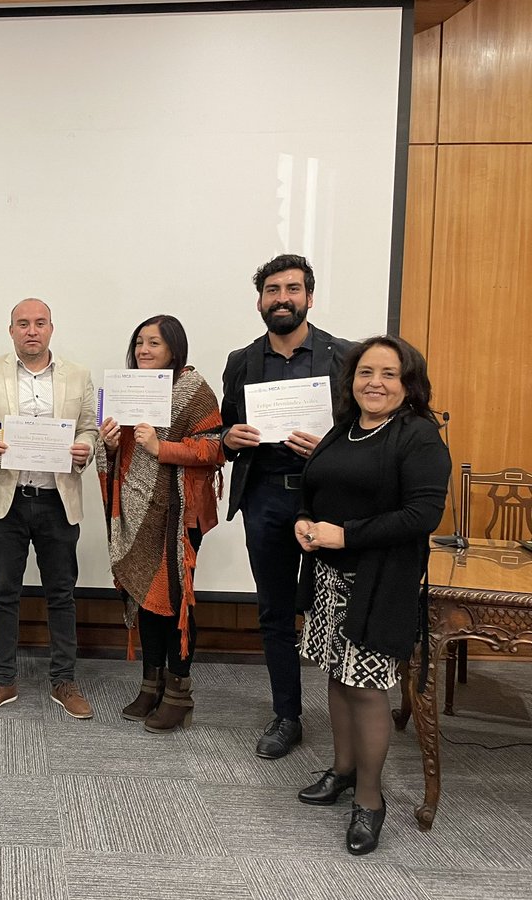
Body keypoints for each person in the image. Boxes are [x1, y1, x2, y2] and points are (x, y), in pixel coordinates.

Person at [293, 335, 448, 855]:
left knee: (366, 687)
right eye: (365, 372)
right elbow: (313, 488)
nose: (374, 383)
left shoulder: (420, 437)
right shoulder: (345, 429)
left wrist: (346, 534)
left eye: (387, 373)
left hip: (379, 582)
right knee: (337, 677)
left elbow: (421, 515)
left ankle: (370, 798)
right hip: (329, 578)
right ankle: (341, 771)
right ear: (351, 379)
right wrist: (304, 520)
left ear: (408, 384)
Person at [221, 254, 355, 759]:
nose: (282, 298)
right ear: (260, 302)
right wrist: (229, 438)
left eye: (292, 289)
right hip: (266, 496)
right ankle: (287, 715)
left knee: (338, 608)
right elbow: (226, 427)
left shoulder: (343, 355)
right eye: (273, 290)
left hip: (329, 498)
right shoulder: (242, 360)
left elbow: (366, 430)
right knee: (274, 610)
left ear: (309, 297)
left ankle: (350, 719)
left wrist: (331, 444)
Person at [0, 298, 98, 718]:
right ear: (11, 331)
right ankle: (3, 680)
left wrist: (86, 450)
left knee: (61, 593)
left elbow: (90, 429)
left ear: (51, 329)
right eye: (22, 324)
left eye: (39, 323)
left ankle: (64, 681)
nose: (31, 331)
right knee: (4, 593)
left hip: (58, 501)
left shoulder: (78, 375)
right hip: (6, 500)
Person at [97, 315, 223, 733]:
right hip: (136, 512)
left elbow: (214, 449)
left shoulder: (193, 389)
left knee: (173, 603)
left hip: (176, 516)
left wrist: (162, 446)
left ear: (174, 348)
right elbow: (118, 454)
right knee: (145, 600)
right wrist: (111, 445)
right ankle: (151, 684)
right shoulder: (126, 389)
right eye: (139, 343)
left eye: (154, 343)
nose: (144, 350)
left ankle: (179, 694)